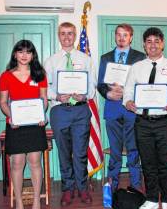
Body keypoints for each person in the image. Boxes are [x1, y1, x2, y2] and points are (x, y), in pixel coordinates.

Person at [123, 27, 167, 209]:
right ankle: (150, 198)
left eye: (157, 41)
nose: (153, 45)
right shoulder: (136, 68)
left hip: (165, 122)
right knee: (147, 162)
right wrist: (128, 102)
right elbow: (127, 91)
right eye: (149, 42)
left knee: (165, 164)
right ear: (144, 45)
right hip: (142, 122)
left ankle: (166, 200)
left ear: (162, 43)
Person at [44, 22, 96, 206]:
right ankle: (68, 189)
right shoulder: (51, 61)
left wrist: (85, 94)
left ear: (75, 36)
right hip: (59, 110)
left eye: (70, 34)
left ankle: (82, 188)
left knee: (80, 152)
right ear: (59, 36)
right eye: (63, 34)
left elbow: (92, 88)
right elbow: (45, 89)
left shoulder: (86, 59)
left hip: (81, 109)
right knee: (64, 152)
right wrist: (57, 95)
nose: (67, 37)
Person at [0, 40, 48, 209]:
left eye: (28, 52)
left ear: (33, 55)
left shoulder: (39, 74)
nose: (24, 55)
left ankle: (36, 200)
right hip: (15, 125)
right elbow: (3, 102)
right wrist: (11, 117)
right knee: (17, 163)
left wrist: (42, 113)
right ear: (15, 54)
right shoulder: (6, 75)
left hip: (35, 124)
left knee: (35, 161)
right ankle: (19, 200)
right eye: (21, 52)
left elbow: (44, 99)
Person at [97, 23, 145, 192]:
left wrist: (128, 92)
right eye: (118, 34)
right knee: (115, 151)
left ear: (131, 37)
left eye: (125, 35)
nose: (121, 38)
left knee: (133, 148)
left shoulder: (140, 57)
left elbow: (144, 83)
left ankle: (136, 185)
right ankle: (113, 185)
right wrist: (107, 94)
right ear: (115, 36)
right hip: (112, 109)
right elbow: (100, 85)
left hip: (131, 109)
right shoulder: (105, 57)